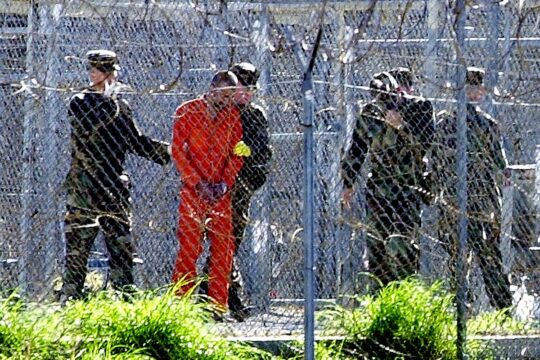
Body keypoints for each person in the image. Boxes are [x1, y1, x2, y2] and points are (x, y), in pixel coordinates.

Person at [59, 49, 170, 301]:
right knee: (78, 246)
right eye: (96, 71)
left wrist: (169, 152)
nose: (95, 75)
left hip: (113, 185)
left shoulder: (120, 105)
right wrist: (110, 102)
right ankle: (71, 296)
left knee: (120, 245)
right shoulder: (81, 102)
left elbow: (135, 141)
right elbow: (90, 130)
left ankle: (126, 295)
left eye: (101, 71)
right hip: (85, 184)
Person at [341, 70, 434, 287]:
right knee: (377, 245)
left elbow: (425, 145)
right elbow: (357, 149)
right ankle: (379, 298)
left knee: (402, 242)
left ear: (402, 91)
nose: (386, 103)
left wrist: (401, 126)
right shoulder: (371, 112)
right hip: (379, 188)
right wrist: (348, 184)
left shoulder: (419, 108)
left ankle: (406, 292)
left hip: (408, 187)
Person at [434, 66, 512, 310]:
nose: (475, 92)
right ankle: (502, 308)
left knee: (459, 255)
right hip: (479, 200)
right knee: (487, 254)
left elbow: (435, 162)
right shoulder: (483, 124)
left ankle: (463, 307)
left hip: (457, 198)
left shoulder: (446, 122)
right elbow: (501, 166)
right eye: (473, 88)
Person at [200, 62, 272, 321]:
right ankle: (220, 298)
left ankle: (222, 298)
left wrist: (247, 152)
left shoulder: (254, 115)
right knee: (222, 243)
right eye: (242, 86)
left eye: (250, 87)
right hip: (211, 187)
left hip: (239, 188)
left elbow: (263, 152)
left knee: (229, 244)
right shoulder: (215, 112)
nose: (246, 93)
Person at [171, 70, 246, 314]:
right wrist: (196, 182)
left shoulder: (233, 116)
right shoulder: (187, 111)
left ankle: (217, 307)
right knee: (189, 249)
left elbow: (237, 153)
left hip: (219, 193)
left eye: (231, 96)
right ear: (212, 89)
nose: (228, 100)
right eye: (224, 95)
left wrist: (225, 182)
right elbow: (178, 151)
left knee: (223, 250)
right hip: (194, 192)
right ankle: (180, 308)